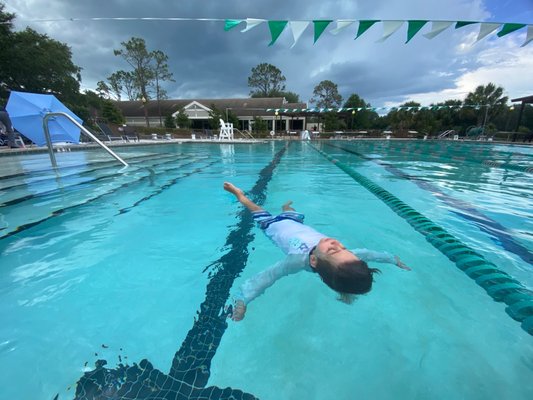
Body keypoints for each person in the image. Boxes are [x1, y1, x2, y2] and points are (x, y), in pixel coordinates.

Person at [223, 182, 411, 321]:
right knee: (290, 210)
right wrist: (392, 259)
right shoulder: (344, 259)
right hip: (294, 222)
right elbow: (369, 254)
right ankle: (286, 207)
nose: (337, 244)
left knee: (254, 207)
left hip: (271, 224)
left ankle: (240, 195)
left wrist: (243, 299)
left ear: (313, 261)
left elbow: (268, 276)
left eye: (333, 250)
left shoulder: (297, 261)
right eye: (344, 247)